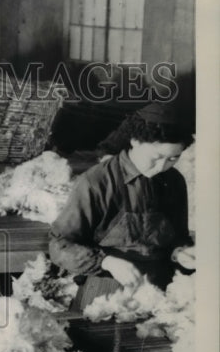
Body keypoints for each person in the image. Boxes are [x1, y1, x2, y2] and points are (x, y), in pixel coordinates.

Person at [49, 101, 194, 312]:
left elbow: (178, 236)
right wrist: (108, 262)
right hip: (106, 292)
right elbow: (60, 245)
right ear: (135, 141)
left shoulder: (174, 181)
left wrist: (180, 253)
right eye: (156, 157)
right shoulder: (96, 182)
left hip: (160, 291)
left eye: (173, 158)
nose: (162, 167)